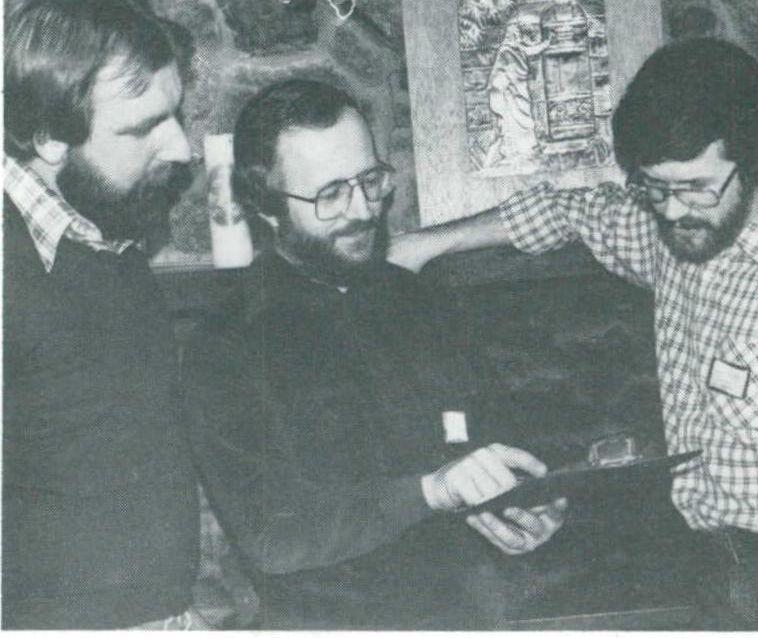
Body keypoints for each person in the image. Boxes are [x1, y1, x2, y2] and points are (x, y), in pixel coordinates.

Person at [389, 38, 758, 631]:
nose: (673, 211)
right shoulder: (680, 233)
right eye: (655, 188)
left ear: (757, 163)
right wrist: (423, 245)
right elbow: (573, 211)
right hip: (713, 564)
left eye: (695, 187)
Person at [180, 79, 567, 629]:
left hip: (473, 614)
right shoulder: (226, 346)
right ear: (265, 206)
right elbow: (274, 537)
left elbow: (492, 438)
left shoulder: (421, 300)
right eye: (331, 195)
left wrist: (528, 503)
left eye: (370, 181)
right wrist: (433, 491)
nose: (363, 209)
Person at [2, 0, 204, 629]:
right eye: (143, 128)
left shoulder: (102, 229)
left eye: (175, 115)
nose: (182, 149)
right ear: (48, 137)